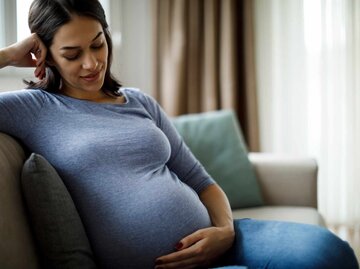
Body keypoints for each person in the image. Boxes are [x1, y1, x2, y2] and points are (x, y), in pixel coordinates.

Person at [0, 0, 358, 268]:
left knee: (332, 252)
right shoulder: (34, 109)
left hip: (223, 240)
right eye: (72, 54)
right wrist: (9, 54)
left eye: (97, 44)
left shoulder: (138, 101)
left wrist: (225, 230)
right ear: (45, 55)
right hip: (166, 264)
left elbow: (200, 179)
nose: (92, 63)